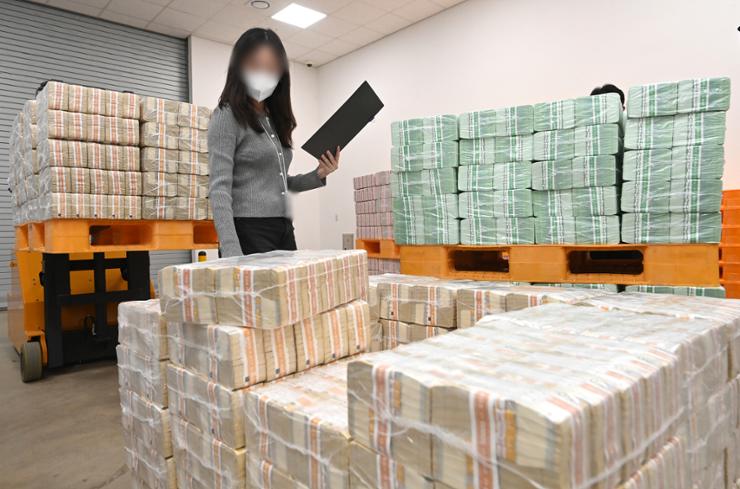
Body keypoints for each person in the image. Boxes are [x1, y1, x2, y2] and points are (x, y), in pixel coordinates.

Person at [208, 28, 340, 257]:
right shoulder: (226, 116)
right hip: (249, 230)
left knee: (288, 293)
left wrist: (317, 175)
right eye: (256, 65)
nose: (264, 73)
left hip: (283, 229)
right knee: (257, 293)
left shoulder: (272, 119)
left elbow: (278, 181)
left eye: (271, 67)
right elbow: (219, 189)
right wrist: (231, 254)